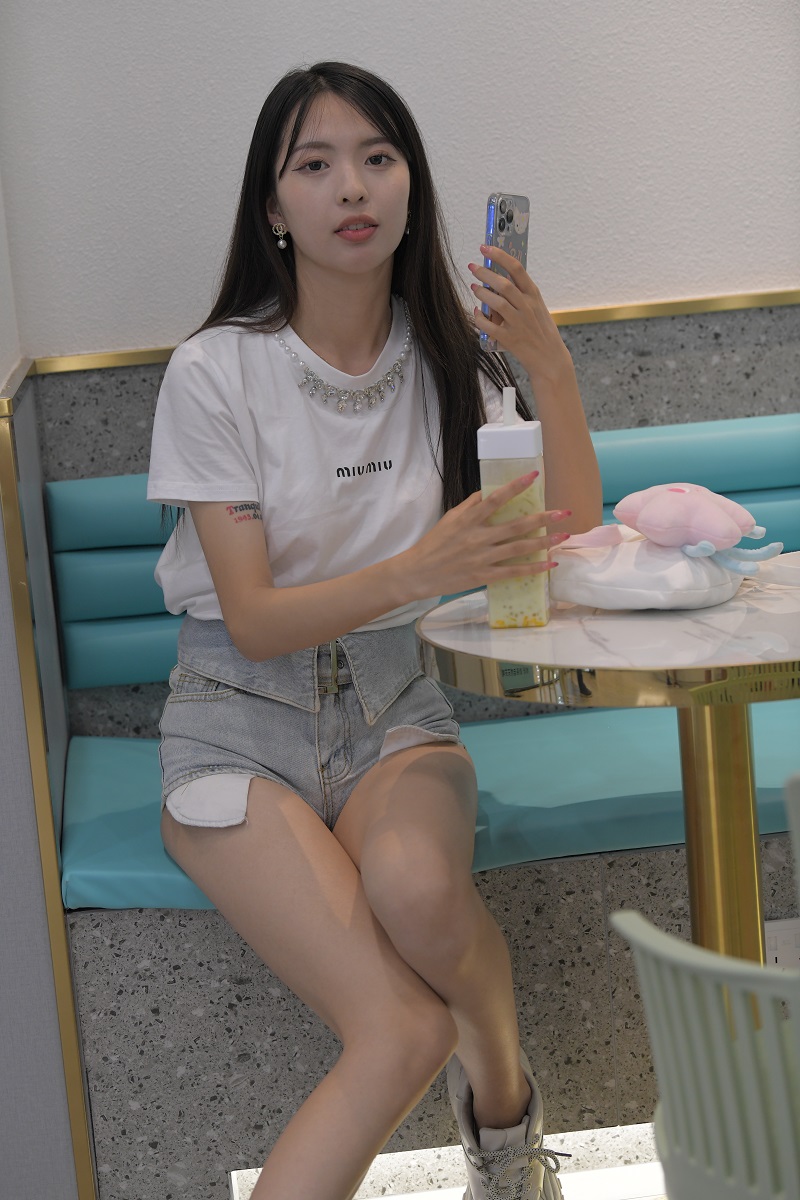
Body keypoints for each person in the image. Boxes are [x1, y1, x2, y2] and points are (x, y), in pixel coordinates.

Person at [147, 60, 602, 1200]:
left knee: (420, 893)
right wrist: (421, 568)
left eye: (377, 157)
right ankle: (512, 1153)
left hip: (398, 706)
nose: (351, 186)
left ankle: (502, 1106)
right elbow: (253, 621)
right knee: (399, 1029)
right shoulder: (216, 371)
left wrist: (547, 367)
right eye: (314, 164)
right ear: (273, 206)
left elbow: (568, 542)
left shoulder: (449, 366)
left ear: (410, 186)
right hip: (232, 726)